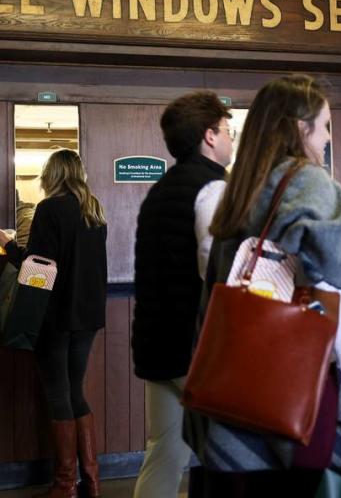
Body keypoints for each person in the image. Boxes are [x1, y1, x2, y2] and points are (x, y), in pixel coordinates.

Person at [189, 74, 341, 497]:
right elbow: (334, 296)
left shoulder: (238, 188)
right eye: (325, 125)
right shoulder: (314, 189)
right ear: (299, 127)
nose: (328, 137)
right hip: (298, 386)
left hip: (234, 385)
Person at [131, 91, 233, 498]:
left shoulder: (158, 193)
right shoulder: (216, 190)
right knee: (231, 458)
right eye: (228, 131)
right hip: (199, 350)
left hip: (157, 348)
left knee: (164, 455)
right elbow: (219, 271)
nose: (231, 139)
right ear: (209, 136)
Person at [0, 149, 107, 498]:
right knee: (75, 392)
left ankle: (64, 485)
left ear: (52, 175)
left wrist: (9, 247)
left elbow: (39, 271)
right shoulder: (95, 212)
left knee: (58, 396)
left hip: (55, 317)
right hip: (87, 319)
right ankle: (91, 481)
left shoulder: (49, 209)